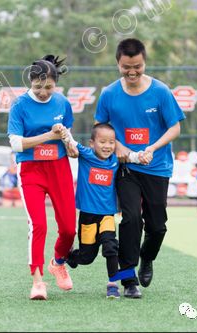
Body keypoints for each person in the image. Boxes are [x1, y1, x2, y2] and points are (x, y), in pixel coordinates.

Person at [95, 38, 184, 298]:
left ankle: (147, 257)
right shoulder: (109, 93)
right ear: (118, 64)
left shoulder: (161, 92)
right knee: (131, 219)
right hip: (126, 169)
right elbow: (100, 126)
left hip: (157, 167)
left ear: (144, 62)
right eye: (126, 67)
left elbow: (175, 126)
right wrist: (118, 146)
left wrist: (153, 148)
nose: (132, 72)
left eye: (137, 66)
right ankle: (128, 279)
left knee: (157, 227)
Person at [7, 54, 76, 300]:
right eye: (38, 86)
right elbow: (16, 143)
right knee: (39, 225)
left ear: (55, 84)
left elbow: (66, 131)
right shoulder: (19, 105)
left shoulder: (62, 103)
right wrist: (49, 135)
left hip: (59, 168)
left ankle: (58, 262)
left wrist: (70, 143)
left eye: (48, 87)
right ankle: (38, 281)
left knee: (69, 228)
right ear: (30, 82)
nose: (44, 91)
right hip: (30, 170)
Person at [59, 123, 143, 298]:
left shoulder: (115, 160)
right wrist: (62, 130)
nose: (107, 146)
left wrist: (142, 156)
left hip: (106, 215)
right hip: (88, 216)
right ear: (92, 143)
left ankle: (112, 284)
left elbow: (131, 157)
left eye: (111, 142)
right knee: (86, 257)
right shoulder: (86, 155)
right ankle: (70, 256)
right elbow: (71, 142)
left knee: (111, 247)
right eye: (102, 141)